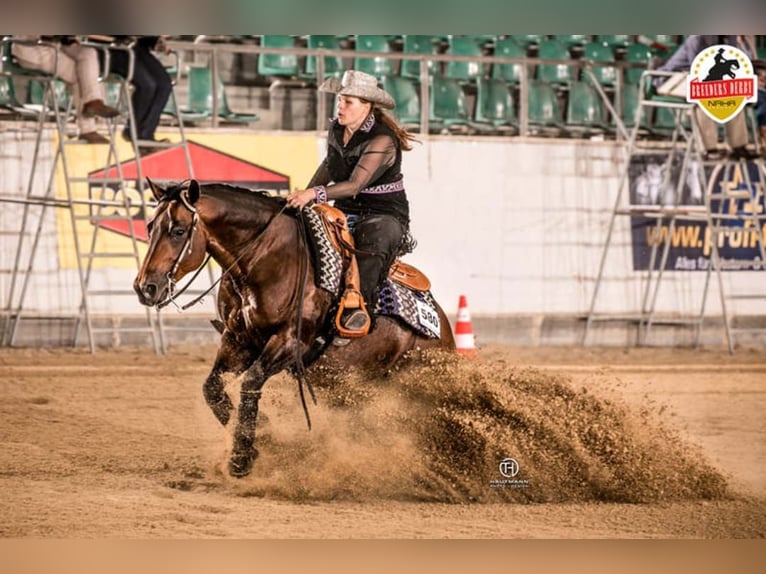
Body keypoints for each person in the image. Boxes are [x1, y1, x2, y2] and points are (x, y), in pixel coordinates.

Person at [286, 70, 417, 335]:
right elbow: (329, 165)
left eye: (348, 102)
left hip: (384, 214)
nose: (340, 106)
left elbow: (356, 184)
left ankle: (359, 311)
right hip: (345, 208)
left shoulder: (382, 139)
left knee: (370, 246)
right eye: (340, 100)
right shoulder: (336, 129)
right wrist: (305, 195)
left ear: (367, 107)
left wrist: (313, 195)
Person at [654, 34, 759, 161]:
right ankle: (709, 149)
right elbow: (697, 68)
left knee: (735, 95)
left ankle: (738, 147)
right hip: (675, 76)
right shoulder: (697, 38)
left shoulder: (731, 37)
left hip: (708, 78)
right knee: (702, 96)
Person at [11, 36, 120, 144]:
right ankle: (88, 127)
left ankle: (93, 104)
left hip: (58, 44)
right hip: (32, 48)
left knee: (89, 53)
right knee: (80, 74)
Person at [106, 36, 173, 155]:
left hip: (137, 49)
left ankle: (146, 134)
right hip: (116, 49)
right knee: (147, 85)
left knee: (164, 85)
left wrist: (156, 41)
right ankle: (135, 132)